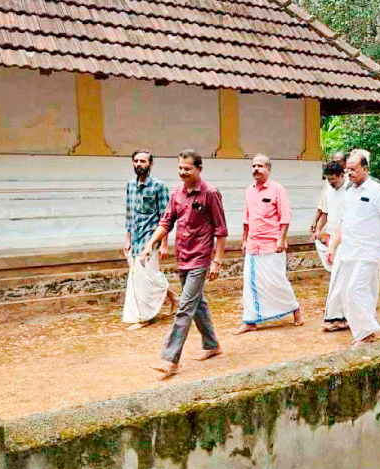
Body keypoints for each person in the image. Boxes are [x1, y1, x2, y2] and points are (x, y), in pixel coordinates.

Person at [140, 150, 227, 379]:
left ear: (199, 169)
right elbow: (166, 221)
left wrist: (217, 260)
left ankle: (170, 359)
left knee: (184, 307)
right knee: (198, 303)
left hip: (200, 257)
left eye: (187, 169)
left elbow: (221, 230)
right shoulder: (177, 193)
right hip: (183, 255)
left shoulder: (210, 193)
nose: (183, 172)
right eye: (180, 168)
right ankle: (212, 344)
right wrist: (150, 243)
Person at [325, 150, 380, 346]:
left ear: (365, 169)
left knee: (356, 289)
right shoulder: (350, 193)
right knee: (348, 292)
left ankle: (367, 333)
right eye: (347, 169)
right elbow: (344, 223)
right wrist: (333, 246)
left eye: (354, 169)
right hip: (349, 251)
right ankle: (362, 332)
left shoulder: (379, 192)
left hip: (369, 251)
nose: (349, 173)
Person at [233, 154, 302, 335]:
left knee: (277, 281)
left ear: (268, 170)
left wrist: (281, 238)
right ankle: (250, 321)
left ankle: (295, 309)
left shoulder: (278, 190)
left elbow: (285, 216)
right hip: (253, 244)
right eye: (254, 166)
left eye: (260, 166)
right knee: (249, 283)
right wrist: (244, 239)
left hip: (272, 244)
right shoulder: (249, 191)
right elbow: (246, 218)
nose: (256, 169)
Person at [122, 150, 175, 330]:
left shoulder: (159, 187)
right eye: (136, 161)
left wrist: (164, 244)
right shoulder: (130, 185)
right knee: (143, 276)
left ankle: (145, 317)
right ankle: (174, 299)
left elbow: (165, 217)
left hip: (150, 239)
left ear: (150, 164)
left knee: (146, 278)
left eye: (142, 161)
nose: (139, 164)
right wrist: (127, 239)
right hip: (135, 239)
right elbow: (129, 215)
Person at [312, 159, 348, 272]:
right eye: (328, 179)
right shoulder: (328, 187)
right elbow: (325, 212)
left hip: (346, 237)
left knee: (345, 270)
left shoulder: (351, 188)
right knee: (333, 268)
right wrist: (318, 229)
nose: (331, 182)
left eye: (333, 179)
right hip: (331, 235)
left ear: (341, 175)